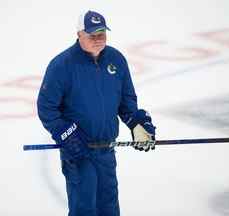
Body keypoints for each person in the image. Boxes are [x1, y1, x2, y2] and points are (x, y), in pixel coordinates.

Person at [37, 10, 156, 216]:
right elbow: (46, 108)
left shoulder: (116, 60)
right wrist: (67, 134)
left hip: (106, 149)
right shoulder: (61, 66)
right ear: (79, 34)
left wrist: (137, 124)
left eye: (102, 33)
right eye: (92, 35)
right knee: (85, 209)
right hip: (78, 152)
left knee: (109, 207)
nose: (98, 39)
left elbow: (126, 103)